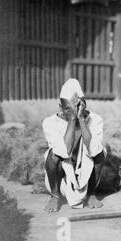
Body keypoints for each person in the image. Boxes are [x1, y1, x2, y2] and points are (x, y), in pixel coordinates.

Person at [42, 78, 106, 212]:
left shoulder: (96, 120)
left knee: (101, 151)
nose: (74, 113)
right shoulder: (50, 123)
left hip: (87, 179)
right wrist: (72, 119)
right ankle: (55, 196)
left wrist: (81, 119)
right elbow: (63, 152)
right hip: (61, 180)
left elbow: (94, 151)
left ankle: (91, 194)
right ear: (60, 107)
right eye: (68, 109)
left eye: (77, 108)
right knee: (53, 154)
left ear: (84, 105)